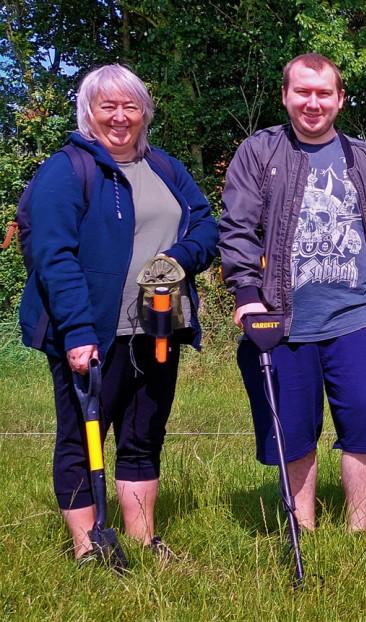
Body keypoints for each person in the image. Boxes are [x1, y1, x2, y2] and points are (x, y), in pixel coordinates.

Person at [19, 64, 218, 561]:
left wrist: (179, 259)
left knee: (143, 432)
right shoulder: (66, 170)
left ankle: (142, 538)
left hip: (157, 326)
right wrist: (77, 332)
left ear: (144, 112)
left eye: (130, 106)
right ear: (88, 112)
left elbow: (207, 226)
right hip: (91, 333)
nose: (120, 116)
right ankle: (89, 547)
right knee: (81, 438)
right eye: (107, 106)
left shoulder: (165, 167)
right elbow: (52, 255)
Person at [220, 53, 366, 532]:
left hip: (359, 317)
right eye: (302, 91)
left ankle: (357, 530)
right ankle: (301, 525)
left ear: (340, 99)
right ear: (286, 95)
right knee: (295, 431)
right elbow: (238, 228)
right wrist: (246, 294)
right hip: (282, 320)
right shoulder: (259, 153)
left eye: (323, 92)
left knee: (365, 424)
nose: (312, 102)